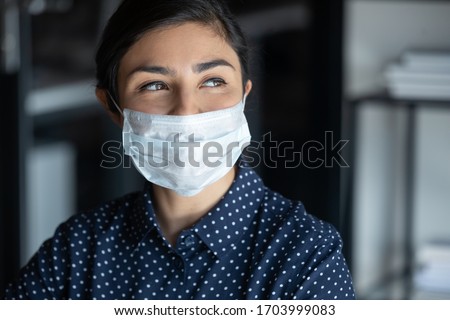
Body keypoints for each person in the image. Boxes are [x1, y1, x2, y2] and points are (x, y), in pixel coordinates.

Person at [3, 0, 355, 299]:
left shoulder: (304, 255)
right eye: (154, 85)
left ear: (244, 96)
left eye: (213, 81)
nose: (187, 110)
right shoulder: (77, 251)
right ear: (112, 107)